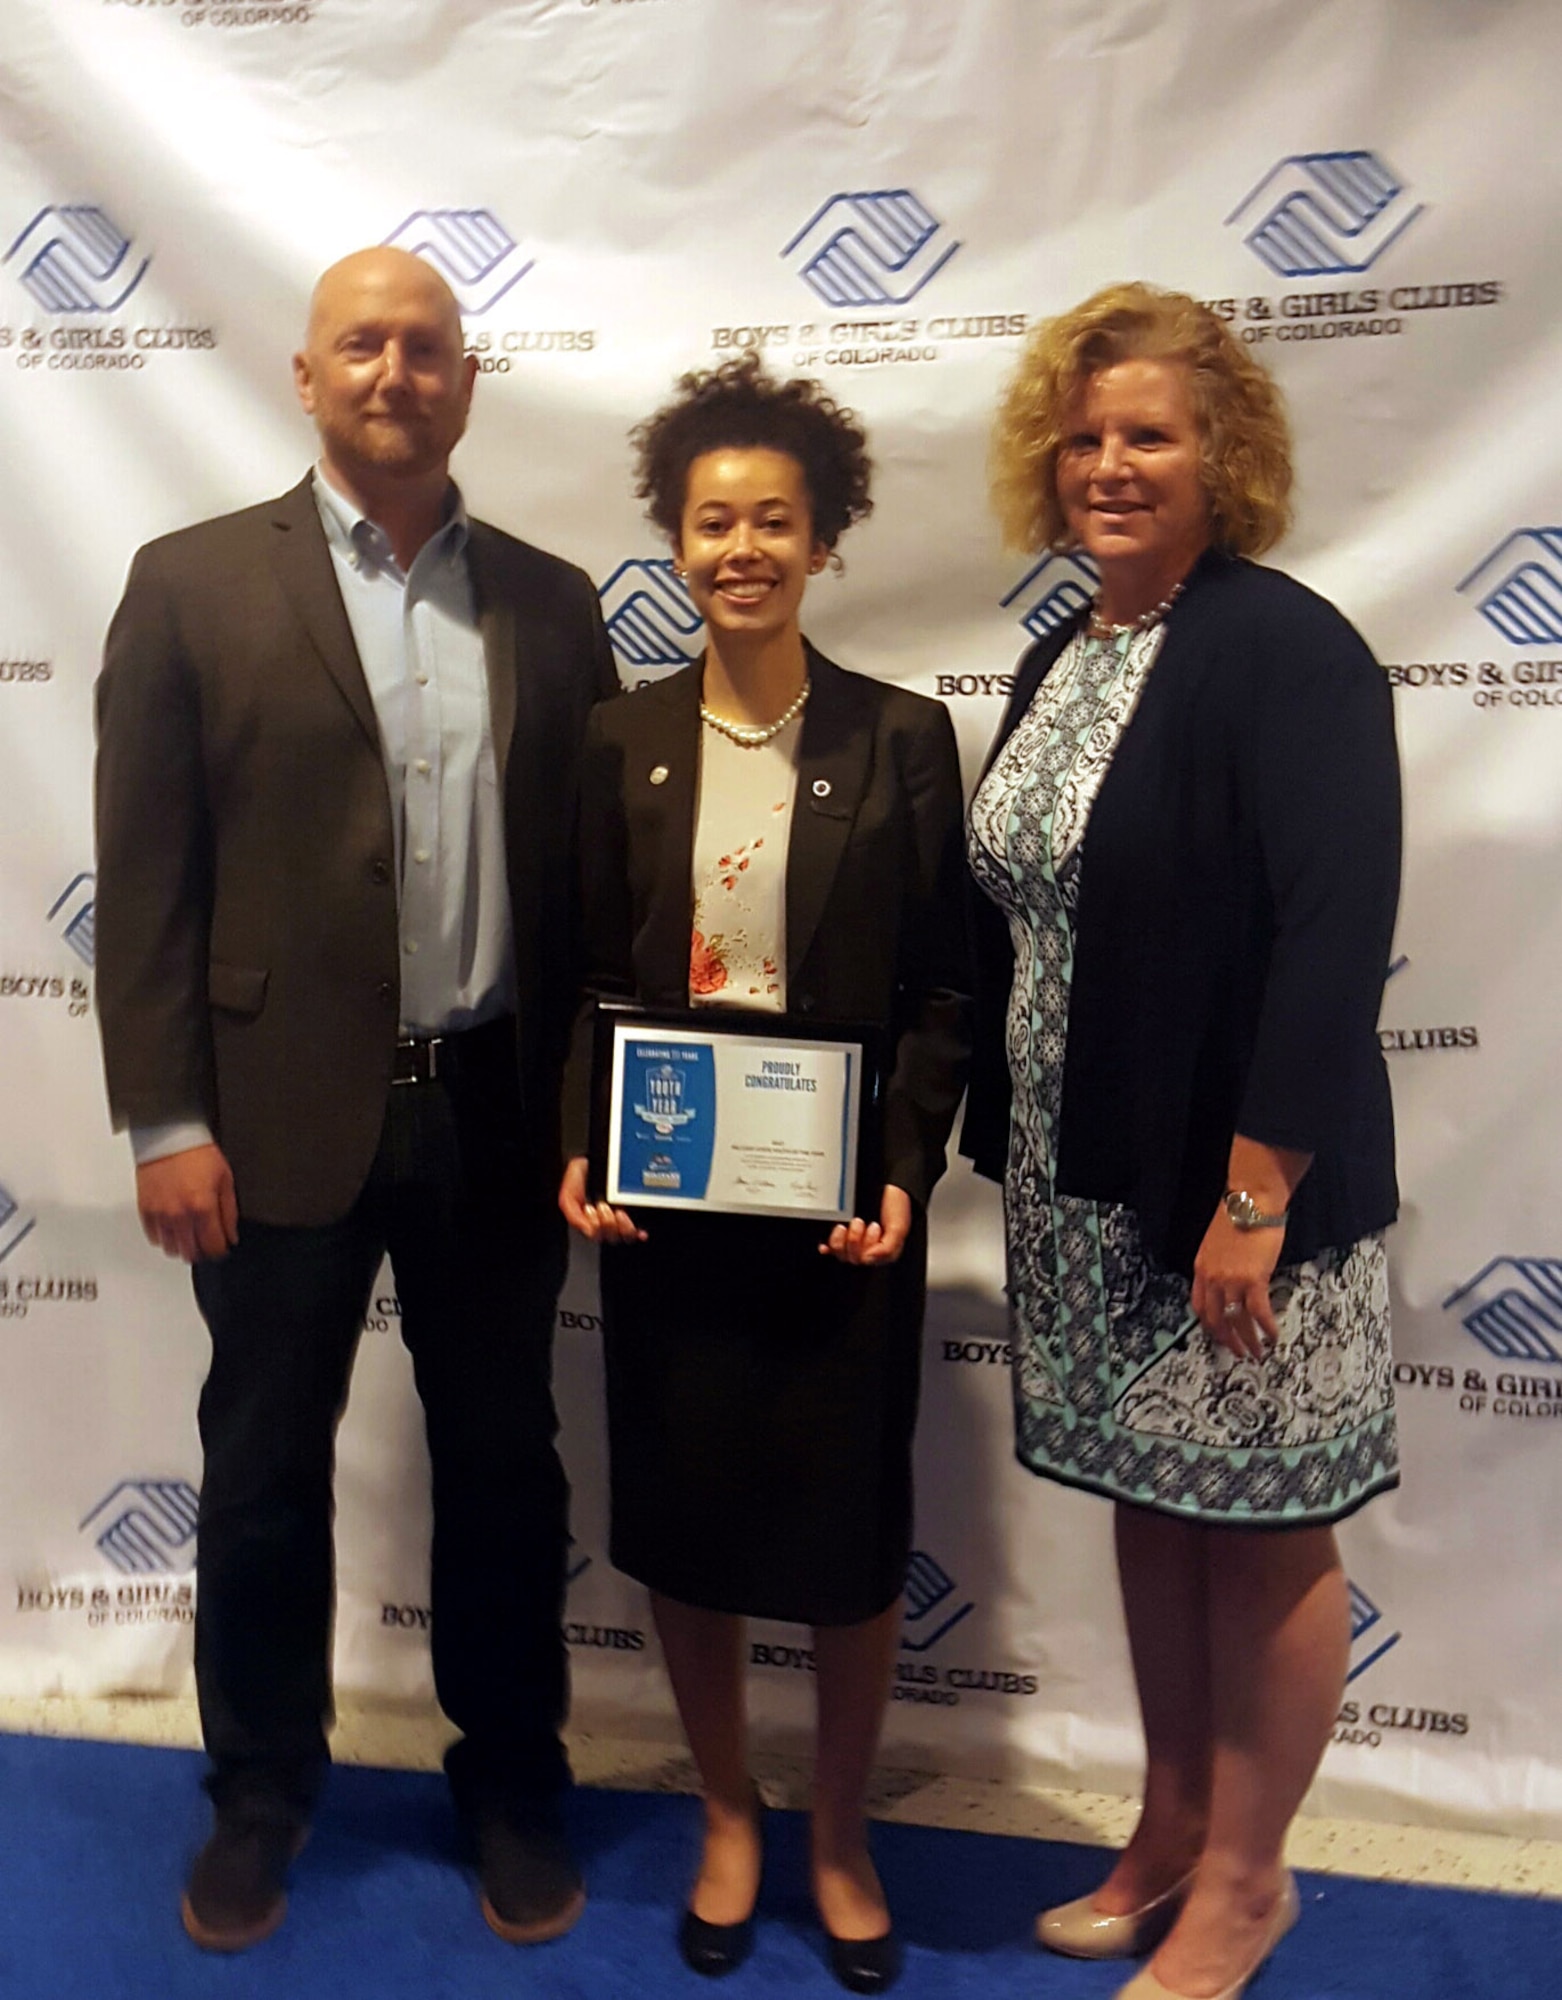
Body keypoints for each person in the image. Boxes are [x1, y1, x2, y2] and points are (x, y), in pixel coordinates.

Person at [94, 247, 618, 1952]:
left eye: (429, 346)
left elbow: (593, 887)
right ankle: (260, 1792)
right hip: (267, 1121)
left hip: (492, 1112)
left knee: (503, 1464)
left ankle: (513, 1781)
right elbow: (148, 875)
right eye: (363, 345)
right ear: (307, 379)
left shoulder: (550, 602)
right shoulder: (186, 586)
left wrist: (603, 1108)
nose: (397, 371)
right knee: (257, 1472)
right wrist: (167, 1121)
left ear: (469, 383)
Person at [963, 283, 1401, 2000]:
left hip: (1239, 1202)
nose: (1108, 465)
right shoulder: (1061, 651)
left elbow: (1331, 930)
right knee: (1158, 1513)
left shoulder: (1283, 647)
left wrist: (1253, 1194)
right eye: (1081, 436)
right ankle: (1162, 1832)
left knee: (1266, 1526)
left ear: (1223, 453)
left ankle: (1244, 1883)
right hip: (1091, 1186)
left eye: (1147, 432)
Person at [558, 353, 969, 1993]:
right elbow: (595, 973)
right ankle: (729, 1815)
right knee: (687, 1523)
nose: (742, 546)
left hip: (837, 1222)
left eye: (772, 520)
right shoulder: (614, 741)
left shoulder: (902, 739)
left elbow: (943, 987)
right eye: (712, 520)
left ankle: (841, 1834)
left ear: (823, 541)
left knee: (848, 1545)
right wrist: (583, 1137)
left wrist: (902, 1174)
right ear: (674, 540)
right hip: (668, 1208)